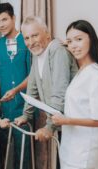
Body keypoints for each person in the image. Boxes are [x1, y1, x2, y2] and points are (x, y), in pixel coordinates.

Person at [14, 16, 78, 169]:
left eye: (35, 35)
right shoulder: (38, 54)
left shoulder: (57, 51)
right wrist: (26, 114)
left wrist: (49, 126)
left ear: (47, 34)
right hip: (62, 122)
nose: (31, 42)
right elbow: (33, 87)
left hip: (73, 121)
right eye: (27, 38)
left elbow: (59, 92)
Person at [51, 20, 98, 169]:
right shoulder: (81, 72)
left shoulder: (96, 75)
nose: (74, 45)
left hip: (83, 153)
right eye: (70, 41)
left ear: (91, 39)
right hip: (70, 148)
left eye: (79, 39)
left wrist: (66, 121)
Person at [0, 3, 31, 169]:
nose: (1, 24)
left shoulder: (26, 41)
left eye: (5, 19)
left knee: (23, 151)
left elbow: (33, 76)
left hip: (24, 105)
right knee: (4, 149)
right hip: (5, 105)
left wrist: (16, 90)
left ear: (14, 18)